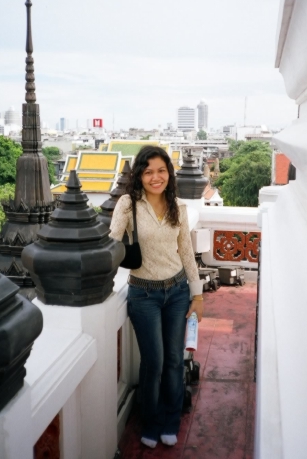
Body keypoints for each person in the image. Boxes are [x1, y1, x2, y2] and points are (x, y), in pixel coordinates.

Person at [110, 145, 203, 449]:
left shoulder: (178, 206)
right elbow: (111, 244)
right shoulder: (128, 204)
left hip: (176, 292)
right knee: (154, 362)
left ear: (169, 173)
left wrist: (197, 295)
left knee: (175, 360)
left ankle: (171, 419)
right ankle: (151, 421)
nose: (155, 177)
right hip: (144, 294)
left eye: (161, 170)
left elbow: (187, 254)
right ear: (139, 174)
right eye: (148, 171)